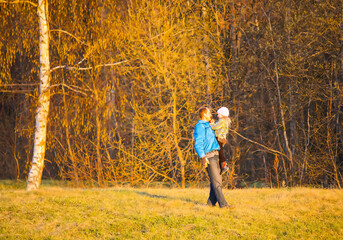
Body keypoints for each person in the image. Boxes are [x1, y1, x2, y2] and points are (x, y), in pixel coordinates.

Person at [194, 107, 231, 208]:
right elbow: (198, 143)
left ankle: (210, 204)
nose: (211, 114)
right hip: (208, 156)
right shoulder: (200, 126)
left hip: (216, 154)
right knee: (217, 181)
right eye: (209, 113)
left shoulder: (211, 125)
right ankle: (223, 205)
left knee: (215, 180)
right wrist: (202, 157)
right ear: (204, 114)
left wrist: (223, 142)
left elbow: (217, 138)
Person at [210, 107, 231, 175]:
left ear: (222, 114)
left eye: (218, 114)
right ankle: (222, 166)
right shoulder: (226, 121)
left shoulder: (222, 121)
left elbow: (215, 127)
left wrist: (209, 124)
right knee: (220, 152)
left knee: (220, 153)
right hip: (222, 138)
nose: (217, 115)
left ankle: (224, 166)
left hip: (219, 138)